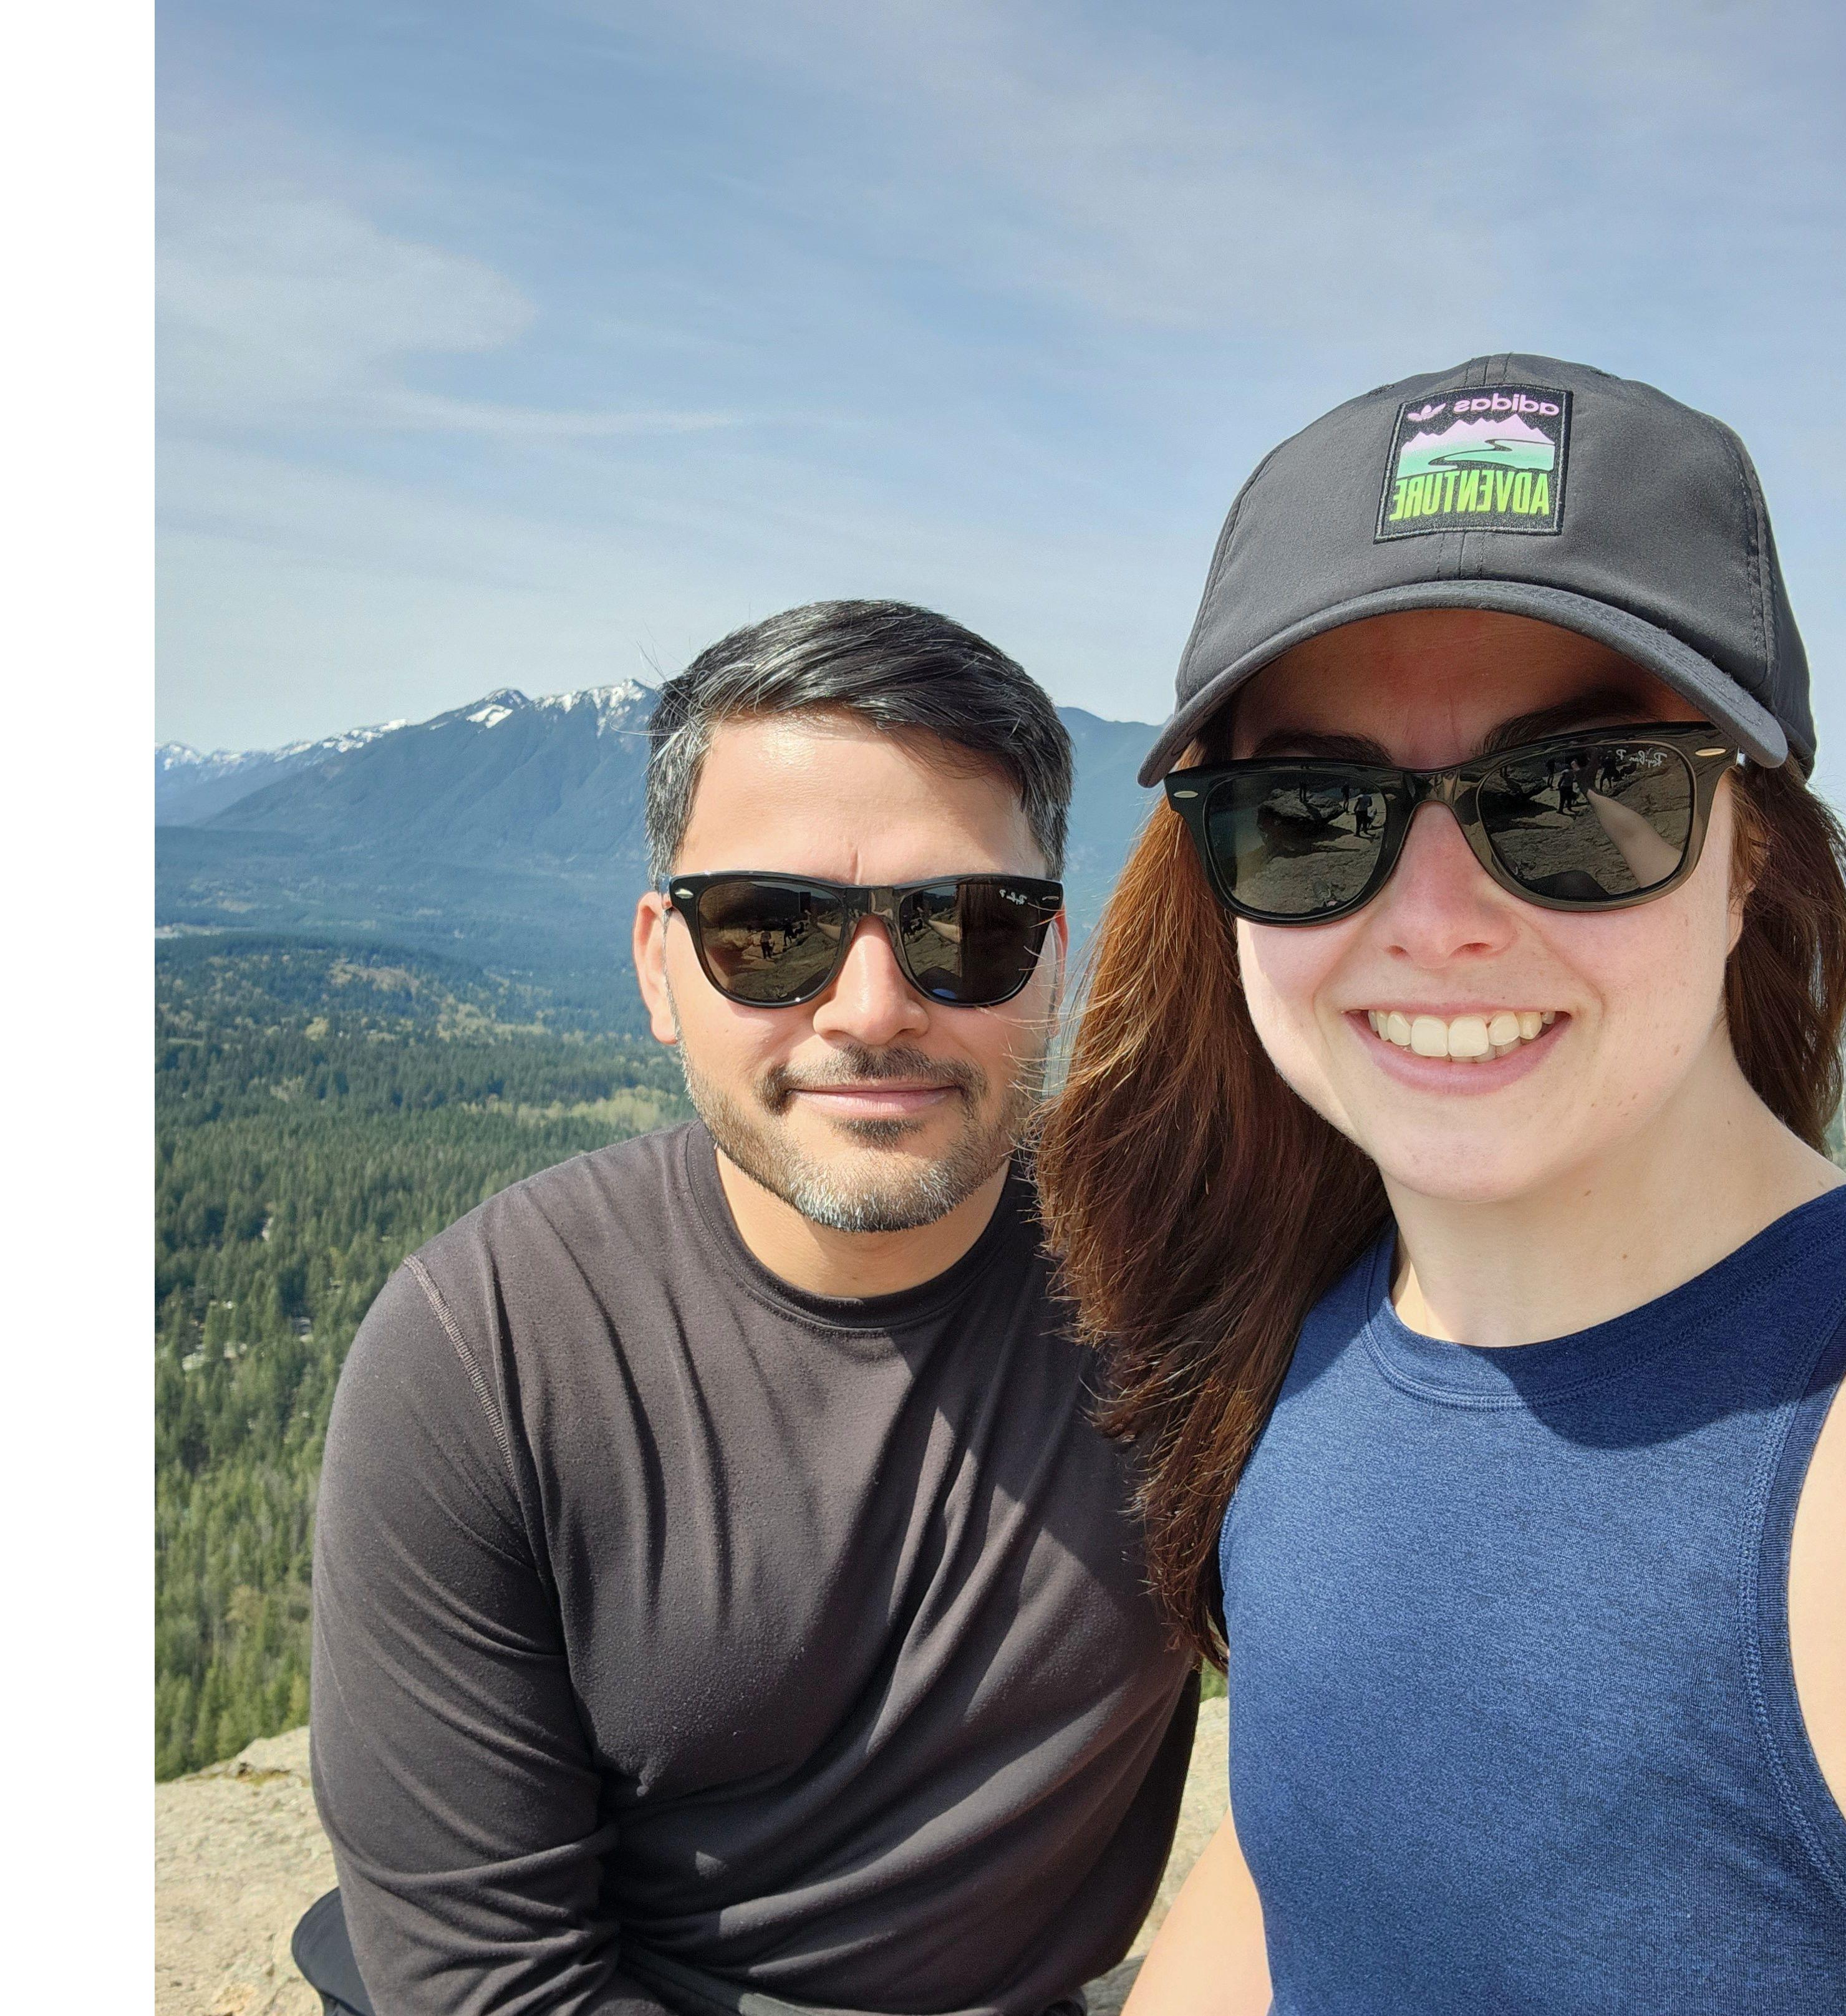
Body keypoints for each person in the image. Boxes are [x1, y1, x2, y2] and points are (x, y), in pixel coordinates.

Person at [1040, 358, 1846, 2014]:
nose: (1433, 918)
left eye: (1579, 796)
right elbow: (1297, 1869)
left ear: (1749, 849)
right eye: (1310, 814)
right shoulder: (1312, 1332)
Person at [297, 601, 1198, 2016]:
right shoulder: (486, 1353)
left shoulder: (1191, 1306)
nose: (872, 1007)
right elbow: (493, 1986)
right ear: (659, 964)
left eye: (967, 927)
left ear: (1058, 962)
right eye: (770, 929)